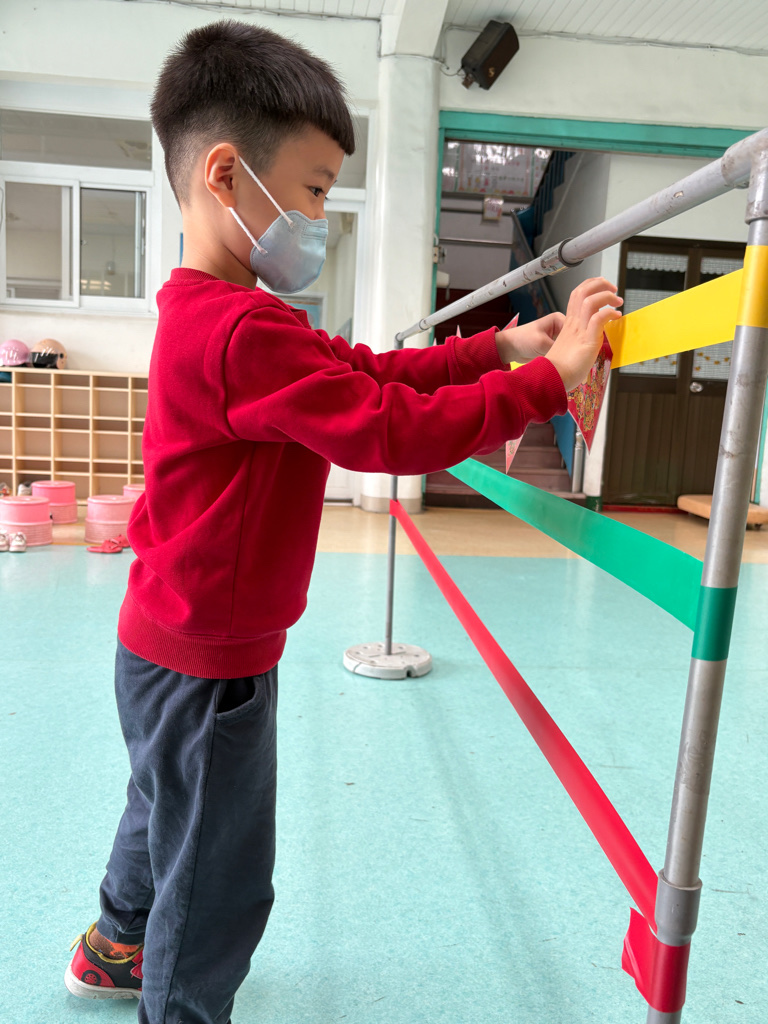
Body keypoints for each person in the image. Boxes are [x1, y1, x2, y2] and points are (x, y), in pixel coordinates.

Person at [65, 19, 622, 1024]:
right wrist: (548, 380)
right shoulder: (241, 331)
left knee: (163, 807)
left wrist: (493, 350)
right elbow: (385, 428)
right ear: (227, 175)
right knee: (219, 876)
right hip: (210, 664)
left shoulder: (220, 314)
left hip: (162, 645)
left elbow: (367, 372)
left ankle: (114, 945)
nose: (320, 214)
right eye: (315, 189)